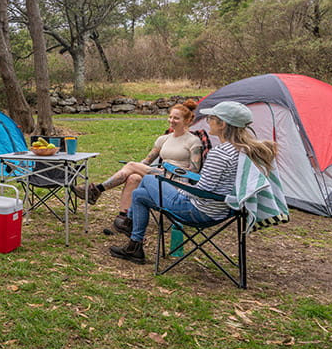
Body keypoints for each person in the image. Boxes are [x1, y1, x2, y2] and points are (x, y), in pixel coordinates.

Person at [109, 101, 277, 265]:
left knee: (148, 178)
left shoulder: (220, 154)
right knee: (139, 195)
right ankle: (134, 246)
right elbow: (208, 183)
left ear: (222, 124)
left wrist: (176, 188)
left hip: (199, 211)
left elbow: (202, 190)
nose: (208, 121)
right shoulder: (240, 149)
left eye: (211, 118)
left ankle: (128, 224)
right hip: (224, 209)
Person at [73, 99, 205, 235]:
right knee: (134, 177)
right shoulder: (163, 139)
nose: (171, 120)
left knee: (132, 165)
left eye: (176, 118)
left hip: (177, 181)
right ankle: (124, 218)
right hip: (159, 176)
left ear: (187, 121)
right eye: (170, 117)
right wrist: (138, 168)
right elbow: (147, 161)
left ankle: (97, 190)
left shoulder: (193, 141)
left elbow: (194, 170)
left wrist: (164, 171)